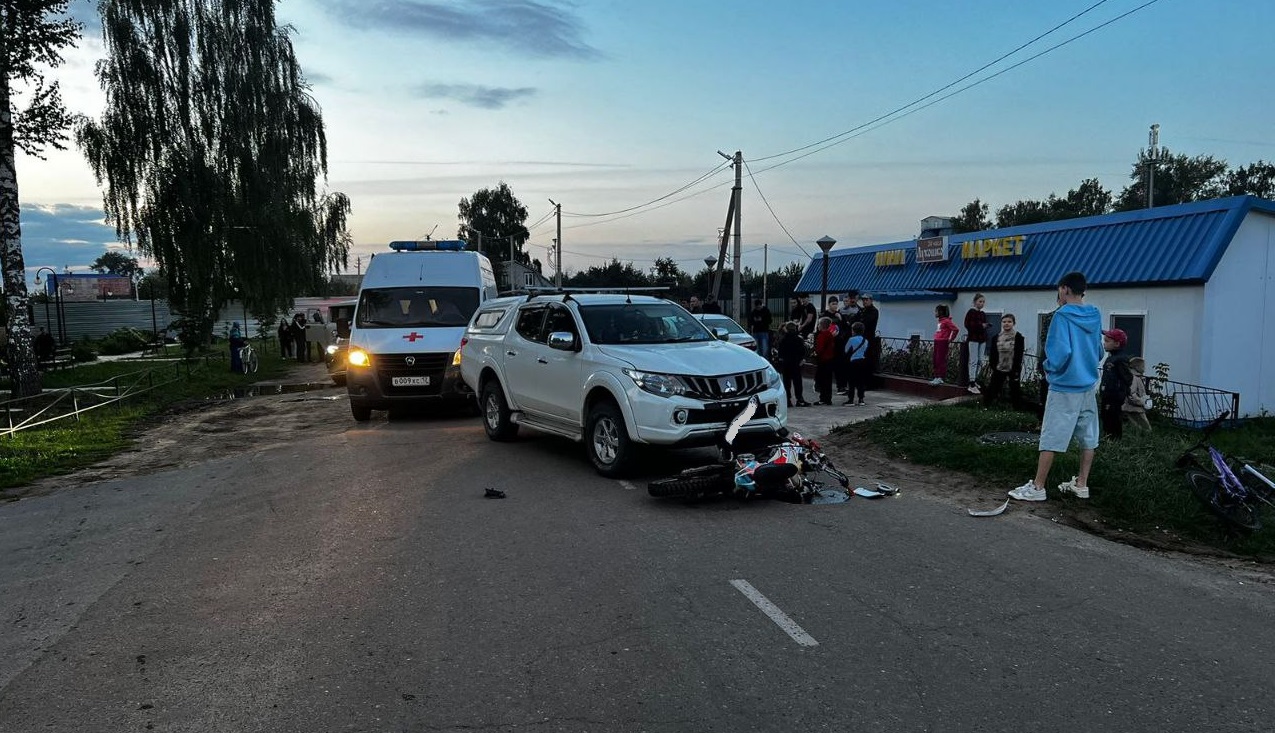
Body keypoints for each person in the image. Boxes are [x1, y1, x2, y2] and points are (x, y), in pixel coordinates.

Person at [1008, 271, 1103, 502]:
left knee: (1051, 435)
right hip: (1088, 385)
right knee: (1088, 436)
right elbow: (1099, 350)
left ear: (1065, 289)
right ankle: (1082, 484)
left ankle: (1038, 487)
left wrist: (1049, 369)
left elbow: (1060, 353)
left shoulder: (1062, 316)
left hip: (1064, 386)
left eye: (1059, 290)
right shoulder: (1095, 314)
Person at [983, 314, 1025, 408]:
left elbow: (1019, 354)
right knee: (993, 388)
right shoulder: (996, 337)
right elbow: (993, 353)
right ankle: (987, 407)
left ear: (1014, 323)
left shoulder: (1019, 337)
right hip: (999, 367)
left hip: (1013, 368)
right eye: (1004, 322)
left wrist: (1016, 368)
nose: (1007, 324)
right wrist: (993, 365)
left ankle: (1017, 409)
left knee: (1015, 389)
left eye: (1009, 322)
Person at [1099, 328, 1133, 440]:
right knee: (1105, 416)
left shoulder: (1120, 359)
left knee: (1113, 418)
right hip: (1106, 395)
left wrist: (1121, 390)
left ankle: (1114, 439)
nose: (1104, 343)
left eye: (1107, 341)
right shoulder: (1111, 358)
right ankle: (1107, 437)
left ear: (1117, 344)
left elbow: (1127, 377)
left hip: (1114, 396)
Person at [776, 321, 810, 407]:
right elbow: (803, 351)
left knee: (787, 382)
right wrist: (802, 359)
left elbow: (780, 354)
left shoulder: (783, 340)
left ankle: (788, 400)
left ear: (786, 329)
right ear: (795, 329)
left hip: (786, 363)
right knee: (797, 381)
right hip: (796, 363)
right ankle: (799, 399)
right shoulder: (798, 339)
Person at [963, 293, 988, 394]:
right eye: (980, 301)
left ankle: (976, 379)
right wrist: (980, 326)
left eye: (983, 302)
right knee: (973, 360)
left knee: (980, 360)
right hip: (973, 338)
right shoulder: (971, 312)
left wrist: (985, 326)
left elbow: (983, 325)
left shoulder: (983, 314)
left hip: (982, 339)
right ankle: (971, 382)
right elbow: (968, 324)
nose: (981, 304)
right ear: (975, 302)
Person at [930, 304, 959, 386]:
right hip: (937, 341)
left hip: (943, 342)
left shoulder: (946, 321)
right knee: (935, 359)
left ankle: (940, 377)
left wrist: (950, 339)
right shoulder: (940, 321)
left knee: (940, 359)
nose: (935, 313)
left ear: (941, 312)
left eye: (936, 311)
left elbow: (955, 329)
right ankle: (936, 376)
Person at [842, 322, 870, 406]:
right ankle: (861, 399)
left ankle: (850, 399)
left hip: (853, 362)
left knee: (851, 381)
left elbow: (846, 350)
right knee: (861, 381)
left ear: (853, 330)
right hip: (862, 361)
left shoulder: (851, 339)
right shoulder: (866, 340)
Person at [1122, 357, 1153, 433]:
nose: (1144, 369)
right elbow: (1131, 394)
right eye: (1143, 366)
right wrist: (1142, 402)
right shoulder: (1133, 378)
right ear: (1137, 367)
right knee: (1146, 429)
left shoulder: (1136, 377)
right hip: (1135, 408)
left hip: (1134, 407)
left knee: (1138, 428)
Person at [812, 316, 836, 405]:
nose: (818, 326)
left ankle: (823, 398)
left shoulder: (822, 335)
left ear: (822, 325)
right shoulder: (830, 334)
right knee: (828, 380)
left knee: (822, 379)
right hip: (830, 359)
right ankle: (828, 398)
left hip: (823, 360)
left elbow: (820, 348)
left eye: (818, 324)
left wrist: (815, 353)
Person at [858, 293, 880, 379]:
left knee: (867, 361)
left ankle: (867, 382)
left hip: (869, 339)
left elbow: (866, 322)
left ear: (871, 300)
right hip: (860, 339)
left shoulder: (874, 311)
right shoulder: (862, 311)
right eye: (863, 300)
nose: (864, 302)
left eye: (866, 300)